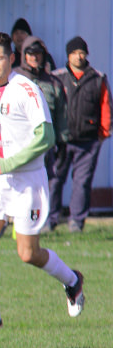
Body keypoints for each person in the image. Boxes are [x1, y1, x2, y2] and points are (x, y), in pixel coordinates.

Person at [0, 32, 84, 330]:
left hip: (26, 179)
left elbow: (46, 137)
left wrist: (9, 162)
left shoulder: (27, 89)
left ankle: (73, 281)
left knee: (28, 253)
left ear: (11, 58)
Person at [49, 36, 111, 232]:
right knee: (55, 180)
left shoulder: (97, 77)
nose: (79, 56)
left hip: (89, 141)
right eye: (75, 53)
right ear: (68, 55)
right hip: (62, 141)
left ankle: (76, 222)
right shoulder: (57, 77)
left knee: (82, 183)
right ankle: (50, 219)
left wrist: (103, 134)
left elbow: (106, 107)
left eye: (82, 52)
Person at [13, 36, 68, 183]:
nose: (34, 58)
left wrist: (62, 144)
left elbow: (61, 115)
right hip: (19, 144)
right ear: (24, 55)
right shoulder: (13, 78)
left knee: (45, 187)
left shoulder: (53, 82)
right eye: (30, 54)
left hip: (45, 145)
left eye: (38, 54)